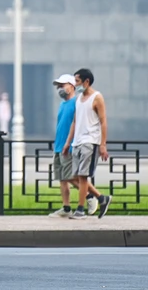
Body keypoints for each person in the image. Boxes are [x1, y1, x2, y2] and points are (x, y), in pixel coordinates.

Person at [62, 68, 112, 219]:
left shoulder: (97, 98)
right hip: (77, 142)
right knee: (75, 175)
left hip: (90, 141)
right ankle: (102, 198)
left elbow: (103, 122)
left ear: (86, 81)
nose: (75, 85)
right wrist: (68, 143)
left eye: (77, 81)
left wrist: (103, 144)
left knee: (83, 176)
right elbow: (75, 122)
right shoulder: (78, 99)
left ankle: (80, 209)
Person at [48, 75, 99, 217]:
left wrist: (69, 143)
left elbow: (77, 124)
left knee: (71, 177)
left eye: (62, 85)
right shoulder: (62, 104)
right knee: (62, 178)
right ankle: (66, 208)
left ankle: (92, 196)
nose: (60, 89)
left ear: (72, 86)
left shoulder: (77, 103)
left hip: (70, 146)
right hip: (59, 145)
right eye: (58, 86)